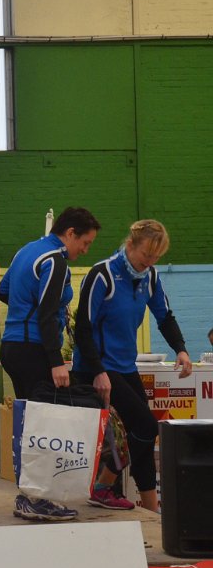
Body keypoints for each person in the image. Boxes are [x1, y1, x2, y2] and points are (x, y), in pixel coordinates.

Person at [73, 219, 191, 512]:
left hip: (125, 367)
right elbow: (83, 327)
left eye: (156, 258)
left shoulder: (150, 277)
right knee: (145, 426)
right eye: (145, 255)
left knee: (145, 436)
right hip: (96, 367)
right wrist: (98, 371)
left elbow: (165, 317)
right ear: (130, 245)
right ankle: (103, 486)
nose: (149, 262)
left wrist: (181, 349)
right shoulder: (102, 275)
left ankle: (151, 511)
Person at [0, 207, 101, 521]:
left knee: (31, 424)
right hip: (33, 350)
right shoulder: (55, 260)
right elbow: (45, 313)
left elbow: (4, 291)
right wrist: (56, 361)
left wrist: (24, 311)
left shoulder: (26, 251)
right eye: (85, 242)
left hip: (12, 346)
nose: (85, 250)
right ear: (70, 233)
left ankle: (29, 496)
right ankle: (35, 498)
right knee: (42, 427)